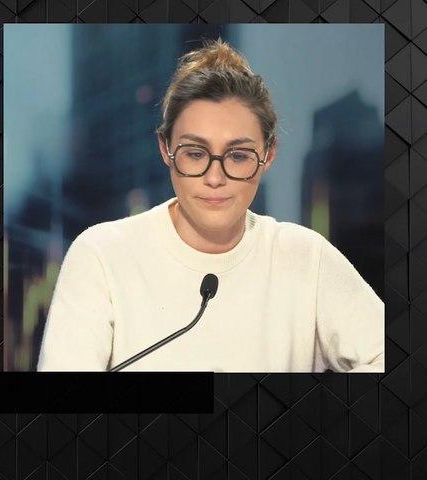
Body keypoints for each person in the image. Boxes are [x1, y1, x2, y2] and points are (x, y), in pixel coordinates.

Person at [37, 40, 383, 373]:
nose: (215, 178)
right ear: (165, 149)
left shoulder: (306, 257)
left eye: (238, 156)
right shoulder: (102, 256)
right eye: (195, 153)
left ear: (268, 155)